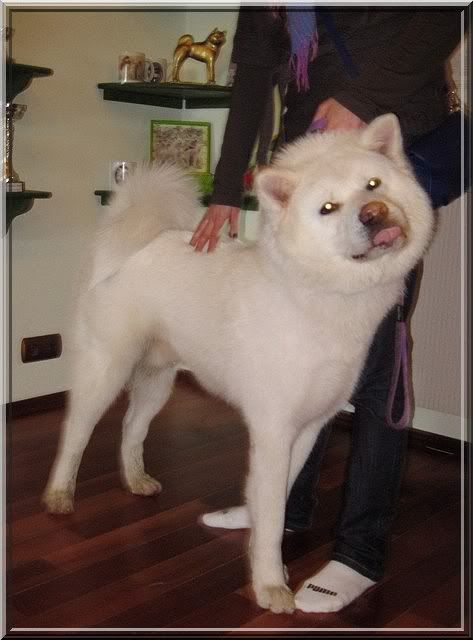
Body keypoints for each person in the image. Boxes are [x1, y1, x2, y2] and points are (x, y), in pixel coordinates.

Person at [190, 7, 462, 613]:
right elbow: (254, 76)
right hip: (306, 171)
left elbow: (441, 17)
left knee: (376, 372)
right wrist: (226, 188)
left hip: (380, 148)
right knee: (294, 362)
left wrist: (362, 99)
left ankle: (360, 552)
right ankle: (282, 506)